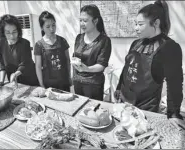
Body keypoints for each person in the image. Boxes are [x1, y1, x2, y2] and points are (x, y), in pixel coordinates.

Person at [114, 0, 185, 129]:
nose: (136, 28)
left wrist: (173, 113)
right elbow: (126, 69)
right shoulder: (136, 43)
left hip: (145, 109)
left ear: (156, 23)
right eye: (135, 24)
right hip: (124, 103)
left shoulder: (169, 47)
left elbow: (174, 82)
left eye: (140, 24)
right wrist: (119, 89)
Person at [72, 4, 111, 101]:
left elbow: (102, 65)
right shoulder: (79, 38)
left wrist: (87, 69)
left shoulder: (104, 40)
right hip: (77, 82)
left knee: (93, 112)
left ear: (95, 21)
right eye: (80, 20)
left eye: (85, 21)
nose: (81, 24)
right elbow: (75, 56)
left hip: (93, 85)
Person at [0, 14, 39, 86]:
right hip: (14, 82)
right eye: (8, 33)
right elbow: (2, 65)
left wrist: (15, 74)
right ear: (3, 32)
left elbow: (24, 64)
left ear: (18, 31)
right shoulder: (1, 44)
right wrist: (1, 81)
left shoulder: (25, 43)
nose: (12, 36)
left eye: (14, 32)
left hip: (30, 81)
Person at [34, 11, 71, 92]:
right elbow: (38, 67)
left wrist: (69, 78)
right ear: (41, 28)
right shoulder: (39, 45)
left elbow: (68, 61)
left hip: (63, 82)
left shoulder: (62, 41)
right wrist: (41, 85)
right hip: (49, 84)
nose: (52, 29)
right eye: (48, 26)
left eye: (53, 25)